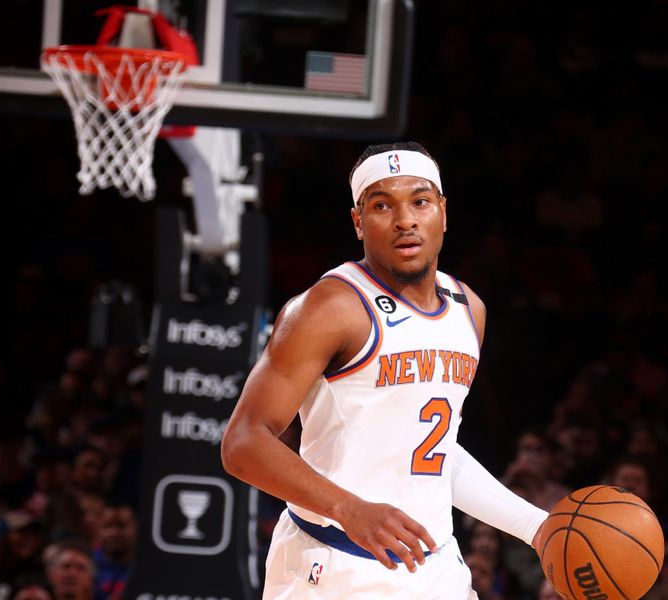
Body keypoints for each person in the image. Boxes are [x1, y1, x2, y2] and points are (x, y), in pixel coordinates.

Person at [222, 141, 549, 599]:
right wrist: (347, 509)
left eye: (420, 201)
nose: (405, 220)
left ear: (443, 212)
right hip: (335, 562)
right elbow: (243, 443)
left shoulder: (468, 309)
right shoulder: (328, 307)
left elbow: (433, 455)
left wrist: (538, 528)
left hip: (436, 567)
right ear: (358, 222)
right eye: (381, 205)